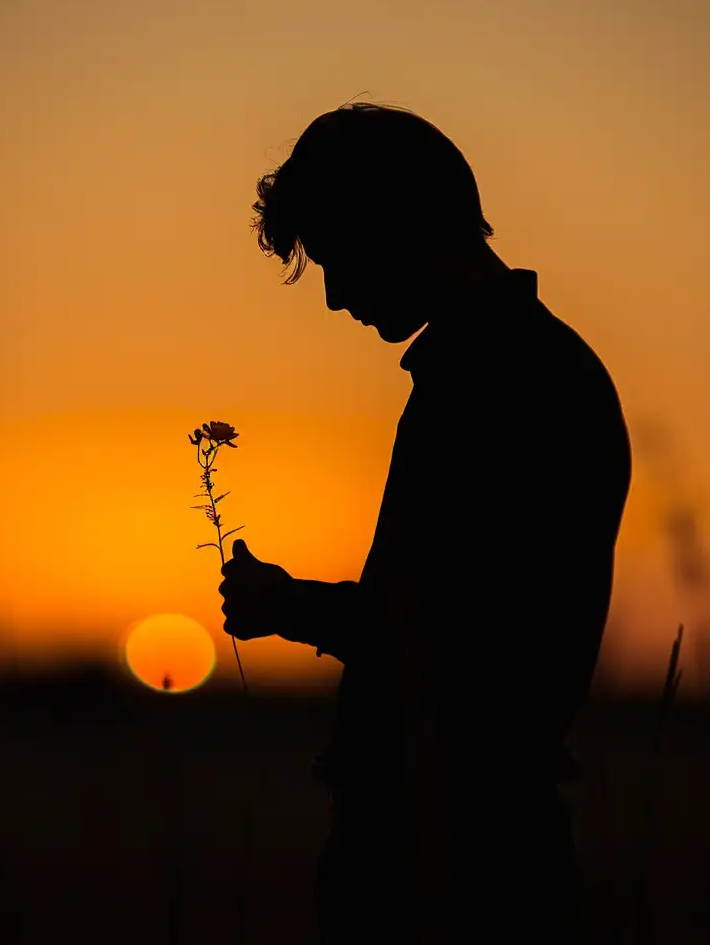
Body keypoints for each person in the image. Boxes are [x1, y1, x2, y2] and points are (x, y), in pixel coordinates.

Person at [217, 104, 631, 943]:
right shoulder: (507, 366)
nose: (334, 298)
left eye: (339, 259)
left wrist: (286, 607)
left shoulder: (504, 380)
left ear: (396, 225)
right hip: (455, 841)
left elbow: (456, 630)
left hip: (456, 861)